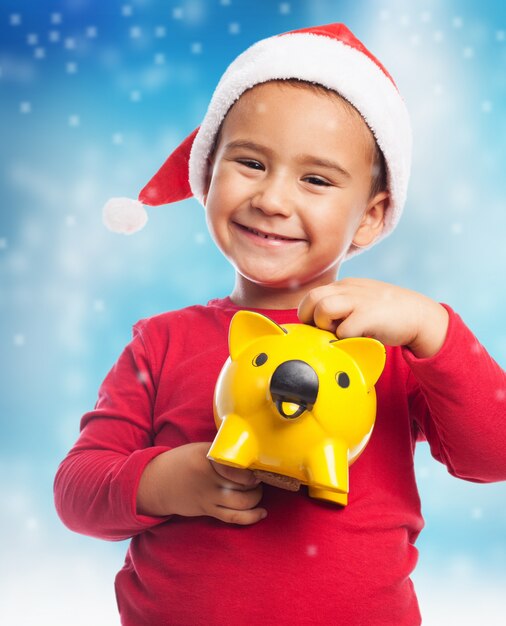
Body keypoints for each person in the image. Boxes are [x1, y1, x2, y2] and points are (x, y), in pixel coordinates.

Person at [54, 23, 506, 626]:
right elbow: (78, 492)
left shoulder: (391, 345)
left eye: (316, 179)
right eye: (250, 162)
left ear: (370, 218)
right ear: (207, 172)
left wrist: (437, 330)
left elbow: (493, 455)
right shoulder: (160, 342)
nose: (272, 198)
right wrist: (166, 480)